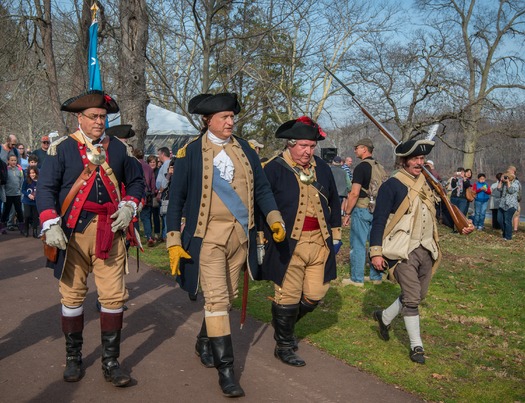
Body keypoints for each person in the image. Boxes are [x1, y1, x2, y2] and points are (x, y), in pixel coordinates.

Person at [165, 92, 285, 398]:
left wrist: (273, 219)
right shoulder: (189, 152)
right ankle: (227, 371)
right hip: (208, 239)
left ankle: (204, 341)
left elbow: (261, 189)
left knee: (228, 297)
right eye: (224, 117)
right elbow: (175, 199)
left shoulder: (245, 149)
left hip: (240, 237)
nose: (231, 122)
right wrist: (173, 240)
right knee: (217, 301)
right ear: (208, 121)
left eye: (232, 117)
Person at [37, 90, 145, 386]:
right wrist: (50, 223)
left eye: (103, 117)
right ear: (79, 118)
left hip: (109, 231)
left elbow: (137, 182)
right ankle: (74, 357)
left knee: (113, 297)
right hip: (72, 234)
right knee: (71, 296)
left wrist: (129, 206)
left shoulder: (119, 149)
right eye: (94, 117)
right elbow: (46, 188)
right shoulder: (60, 150)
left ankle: (111, 362)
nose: (100, 122)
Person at [369, 139, 473, 365]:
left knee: (417, 294)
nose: (419, 162)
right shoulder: (392, 185)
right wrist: (376, 252)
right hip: (402, 250)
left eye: (421, 159)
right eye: (414, 159)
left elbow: (441, 215)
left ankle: (384, 317)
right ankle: (417, 346)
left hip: (427, 248)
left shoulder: (429, 184)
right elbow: (378, 221)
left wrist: (461, 225)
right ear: (404, 161)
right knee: (413, 299)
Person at [260, 116, 341, 367]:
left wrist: (336, 233)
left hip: (319, 240)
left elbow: (335, 202)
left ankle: (284, 326)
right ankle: (284, 345)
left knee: (316, 293)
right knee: (288, 296)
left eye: (312, 146)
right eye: (303, 146)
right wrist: (262, 236)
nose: (308, 151)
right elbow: (261, 204)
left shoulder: (322, 168)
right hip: (288, 242)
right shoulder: (273, 168)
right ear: (290, 144)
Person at [341, 138, 384, 286]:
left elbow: (354, 193)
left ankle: (357, 279)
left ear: (365, 149)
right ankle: (376, 277)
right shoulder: (380, 167)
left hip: (362, 208)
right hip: (377, 209)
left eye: (357, 148)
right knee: (375, 243)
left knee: (358, 244)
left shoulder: (361, 168)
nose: (354, 150)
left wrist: (347, 213)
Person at [133, 148, 157, 246]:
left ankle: (136, 238)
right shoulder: (148, 168)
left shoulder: (133, 166)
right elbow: (153, 185)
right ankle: (149, 237)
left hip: (135, 195)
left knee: (135, 218)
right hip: (146, 196)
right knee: (146, 218)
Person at [0, 154, 24, 235]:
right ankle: (2, 227)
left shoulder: (19, 170)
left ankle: (22, 227)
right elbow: (3, 184)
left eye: (15, 160)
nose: (13, 162)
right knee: (6, 211)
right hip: (8, 195)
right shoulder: (5, 170)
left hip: (17, 194)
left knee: (19, 211)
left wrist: (21, 192)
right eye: (12, 160)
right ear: (8, 161)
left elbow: (21, 181)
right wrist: (3, 195)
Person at [497, 169, 520, 240]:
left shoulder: (516, 183)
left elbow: (511, 190)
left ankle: (508, 236)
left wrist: (508, 182)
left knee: (507, 220)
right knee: (499, 220)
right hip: (502, 204)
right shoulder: (503, 183)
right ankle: (505, 233)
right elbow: (498, 189)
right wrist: (501, 181)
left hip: (511, 205)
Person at [156, 147, 171, 242]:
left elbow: (167, 178)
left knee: (165, 214)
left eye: (158, 154)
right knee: (163, 214)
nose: (158, 157)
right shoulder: (165, 164)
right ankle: (164, 234)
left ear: (162, 154)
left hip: (165, 193)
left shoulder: (167, 164)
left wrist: (160, 191)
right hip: (163, 192)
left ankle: (166, 235)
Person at [147, 154, 162, 242]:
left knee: (155, 215)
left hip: (155, 196)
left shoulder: (158, 171)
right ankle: (149, 234)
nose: (152, 164)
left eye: (154, 162)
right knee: (148, 216)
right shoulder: (146, 171)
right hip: (148, 196)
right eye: (151, 162)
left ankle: (156, 233)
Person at [22, 166, 39, 237]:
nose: (32, 174)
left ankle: (35, 231)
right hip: (27, 201)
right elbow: (23, 190)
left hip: (35, 202)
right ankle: (26, 230)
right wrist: (28, 195)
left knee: (35, 217)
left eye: (33, 173)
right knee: (27, 215)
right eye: (30, 173)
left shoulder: (39, 181)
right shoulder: (26, 180)